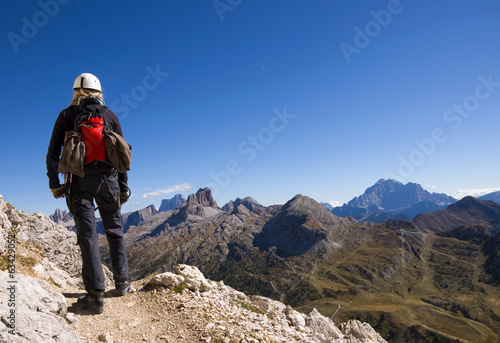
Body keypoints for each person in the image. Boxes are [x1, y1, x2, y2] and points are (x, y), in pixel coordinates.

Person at [46, 73, 130, 314]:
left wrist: (55, 184)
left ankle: (95, 297)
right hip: (109, 180)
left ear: (77, 92)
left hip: (79, 181)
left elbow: (52, 154)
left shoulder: (66, 115)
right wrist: (123, 186)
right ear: (99, 92)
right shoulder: (110, 115)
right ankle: (122, 283)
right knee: (114, 230)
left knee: (88, 236)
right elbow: (121, 155)